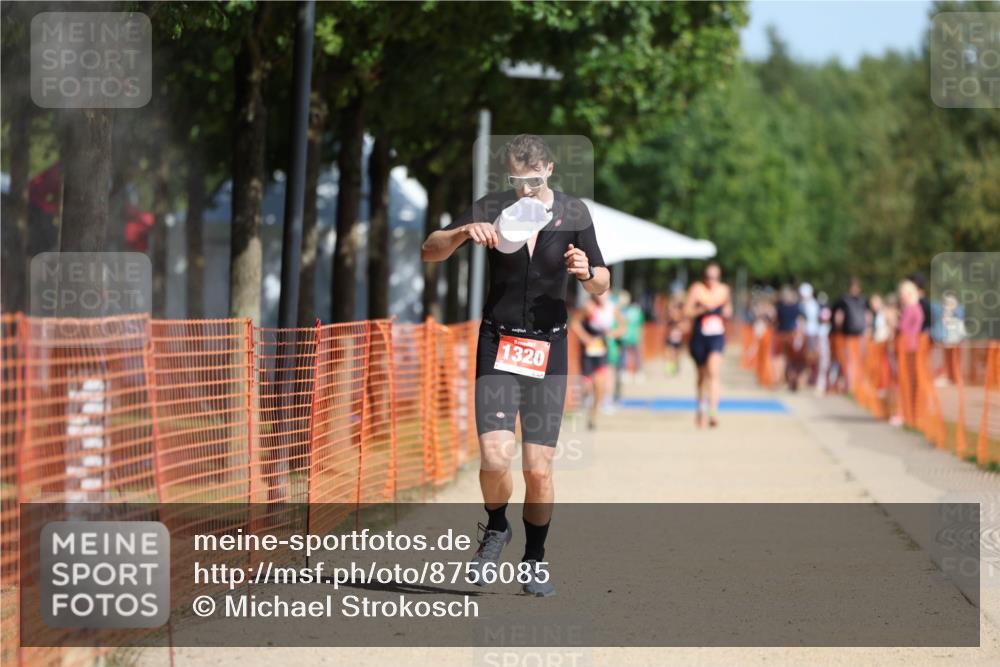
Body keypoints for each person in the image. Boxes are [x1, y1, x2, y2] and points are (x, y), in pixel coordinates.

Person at [420, 134, 609, 597]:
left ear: (548, 170)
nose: (523, 189)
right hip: (498, 343)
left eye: (531, 180)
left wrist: (586, 271)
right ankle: (497, 526)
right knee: (493, 456)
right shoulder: (493, 206)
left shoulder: (574, 213)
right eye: (515, 180)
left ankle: (535, 560)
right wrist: (464, 233)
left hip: (548, 348)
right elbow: (430, 249)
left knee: (538, 469)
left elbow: (602, 282)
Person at [684, 262, 732, 428]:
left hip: (716, 336)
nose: (712, 280)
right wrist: (701, 310)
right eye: (709, 277)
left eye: (715, 277)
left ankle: (713, 411)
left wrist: (726, 312)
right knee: (701, 376)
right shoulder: (697, 289)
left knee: (713, 372)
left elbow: (728, 309)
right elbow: (686, 311)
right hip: (699, 337)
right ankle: (700, 409)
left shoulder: (724, 290)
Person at [571, 291, 621, 427]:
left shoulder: (612, 308)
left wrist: (613, 334)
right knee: (586, 386)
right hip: (587, 352)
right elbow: (575, 323)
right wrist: (585, 338)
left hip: (602, 351)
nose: (602, 296)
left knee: (599, 385)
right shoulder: (588, 307)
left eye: (605, 293)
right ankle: (586, 400)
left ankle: (593, 416)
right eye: (599, 293)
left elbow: (622, 327)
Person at [832, 277, 867, 394]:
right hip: (847, 336)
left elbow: (866, 315)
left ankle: (853, 384)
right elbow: (837, 316)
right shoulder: (844, 300)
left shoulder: (862, 301)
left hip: (859, 335)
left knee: (856, 361)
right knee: (847, 361)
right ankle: (848, 384)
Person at [664, 289, 686, 376]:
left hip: (679, 335)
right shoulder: (670, 308)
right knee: (669, 352)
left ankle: (676, 367)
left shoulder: (682, 309)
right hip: (671, 335)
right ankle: (670, 368)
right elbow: (668, 319)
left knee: (677, 353)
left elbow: (682, 320)